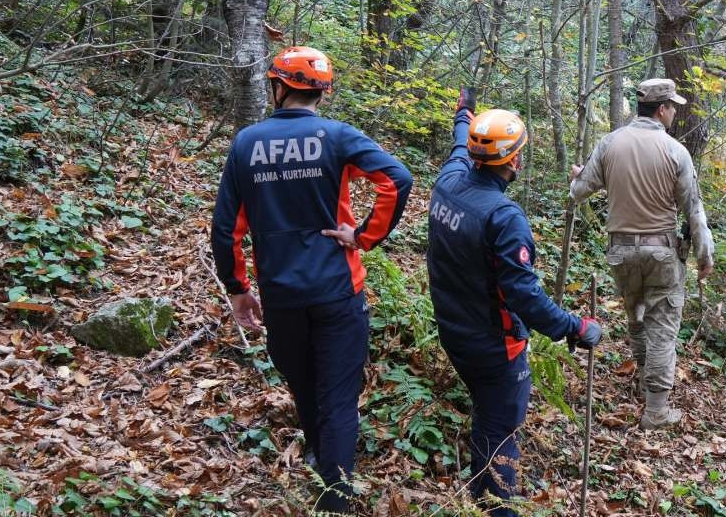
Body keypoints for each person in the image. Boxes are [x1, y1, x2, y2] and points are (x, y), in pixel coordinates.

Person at [211, 46, 413, 513]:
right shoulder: (337, 137)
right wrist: (364, 236)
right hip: (339, 290)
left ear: (278, 87)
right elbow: (397, 179)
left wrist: (238, 290)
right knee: (338, 398)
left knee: (303, 386)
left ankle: (324, 468)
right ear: (322, 92)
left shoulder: (246, 144)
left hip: (281, 293)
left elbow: (226, 229)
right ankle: (335, 496)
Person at [426, 89, 601, 517]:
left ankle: (480, 502)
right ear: (515, 160)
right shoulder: (504, 218)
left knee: (488, 420)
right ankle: (495, 509)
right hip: (494, 347)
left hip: (453, 331)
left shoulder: (448, 182)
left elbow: (459, 142)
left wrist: (464, 114)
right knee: (500, 432)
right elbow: (524, 295)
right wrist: (575, 327)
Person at [569, 78, 714, 429]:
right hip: (661, 253)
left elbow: (579, 191)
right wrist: (704, 255)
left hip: (621, 251)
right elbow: (693, 210)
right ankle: (656, 410)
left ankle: (643, 380)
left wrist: (579, 177)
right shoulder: (676, 152)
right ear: (662, 109)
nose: (674, 112)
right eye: (673, 107)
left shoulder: (610, 143)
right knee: (662, 327)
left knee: (636, 318)